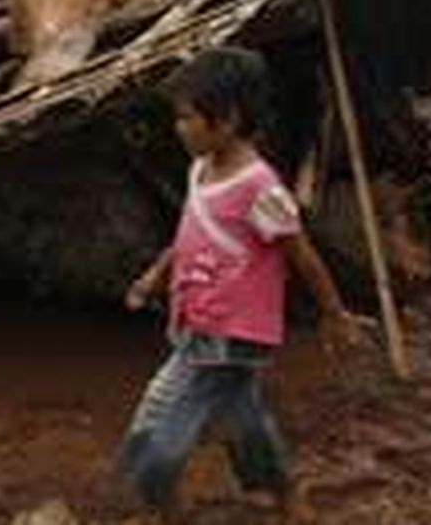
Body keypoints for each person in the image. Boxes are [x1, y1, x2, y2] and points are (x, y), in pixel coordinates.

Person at [118, 47, 367, 524]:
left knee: (156, 430)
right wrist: (156, 275)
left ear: (227, 119)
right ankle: (286, 492)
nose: (178, 128)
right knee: (243, 423)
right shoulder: (200, 171)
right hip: (196, 319)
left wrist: (334, 314)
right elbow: (191, 233)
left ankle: (166, 505)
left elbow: (301, 253)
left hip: (228, 334)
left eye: (187, 118)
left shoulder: (260, 188)